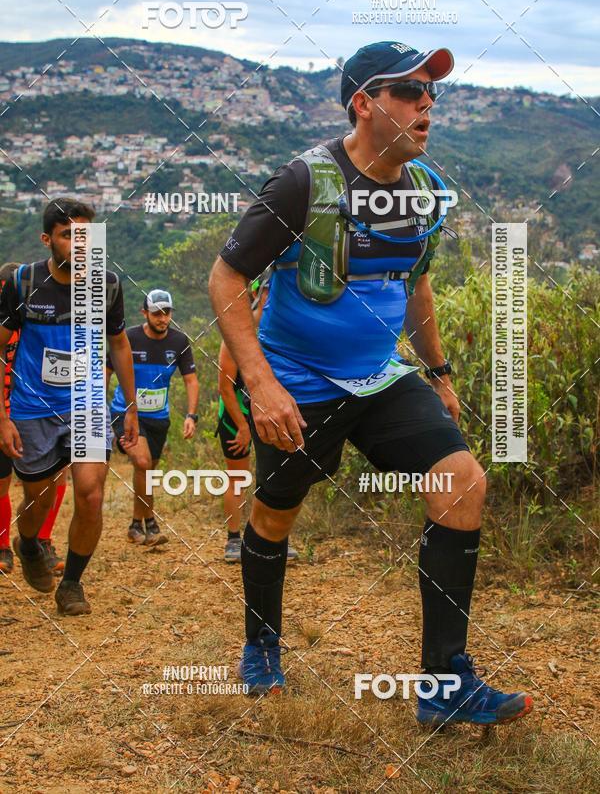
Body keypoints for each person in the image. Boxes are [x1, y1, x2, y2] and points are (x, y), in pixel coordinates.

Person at [208, 41, 533, 727]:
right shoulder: (303, 183)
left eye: (431, 94)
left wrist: (438, 372)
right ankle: (261, 644)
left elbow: (416, 284)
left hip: (381, 378)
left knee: (462, 481)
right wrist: (261, 385)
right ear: (364, 102)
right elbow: (226, 279)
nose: (428, 106)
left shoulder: (423, 192)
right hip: (298, 385)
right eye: (411, 93)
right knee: (273, 516)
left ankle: (445, 687)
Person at [0, 198, 138, 615]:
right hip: (32, 409)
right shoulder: (22, 283)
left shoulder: (108, 286)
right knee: (37, 499)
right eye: (67, 235)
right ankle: (28, 543)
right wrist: (2, 415)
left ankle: (73, 583)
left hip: (88, 404)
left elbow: (118, 343)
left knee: (91, 495)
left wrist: (129, 407)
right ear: (47, 240)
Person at [106, 289, 199, 546]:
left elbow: (191, 380)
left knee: (147, 470)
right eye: (156, 313)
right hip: (125, 414)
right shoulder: (128, 338)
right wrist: (101, 411)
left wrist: (191, 415)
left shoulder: (179, 342)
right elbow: (106, 371)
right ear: (144, 313)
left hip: (159, 416)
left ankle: (137, 523)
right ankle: (150, 523)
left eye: (166, 312)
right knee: (144, 463)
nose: (162, 318)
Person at [217, 278, 298, 562]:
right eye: (266, 291)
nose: (270, 297)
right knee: (238, 477)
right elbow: (225, 386)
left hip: (271, 412)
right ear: (257, 293)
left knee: (276, 476)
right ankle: (233, 539)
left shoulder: (284, 331)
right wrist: (242, 426)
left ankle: (275, 538)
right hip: (235, 413)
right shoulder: (240, 330)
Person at [0, 261, 68, 576]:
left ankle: (41, 540)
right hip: (5, 414)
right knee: (2, 483)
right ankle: (3, 544)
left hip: (34, 412)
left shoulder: (37, 323)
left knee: (55, 478)